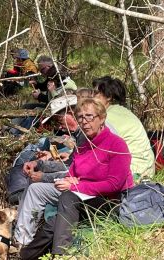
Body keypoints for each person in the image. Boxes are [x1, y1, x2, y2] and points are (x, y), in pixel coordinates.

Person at [20, 98, 134, 259]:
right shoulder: (84, 144)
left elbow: (114, 184)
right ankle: (24, 256)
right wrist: (71, 180)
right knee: (53, 223)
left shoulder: (117, 144)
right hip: (86, 198)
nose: (84, 121)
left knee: (68, 197)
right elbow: (72, 172)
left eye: (89, 116)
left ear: (101, 118)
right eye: (80, 117)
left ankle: (61, 255)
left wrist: (76, 186)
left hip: (111, 202)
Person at [14, 95, 86, 246]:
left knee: (36, 190)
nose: (59, 127)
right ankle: (20, 228)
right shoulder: (80, 136)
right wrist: (39, 164)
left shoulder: (87, 136)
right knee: (31, 180)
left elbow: (75, 173)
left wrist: (44, 177)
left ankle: (23, 241)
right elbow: (69, 165)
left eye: (59, 121)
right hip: (76, 182)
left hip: (84, 188)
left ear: (71, 114)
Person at [92, 76, 155, 180]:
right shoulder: (121, 111)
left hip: (135, 172)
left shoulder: (108, 117)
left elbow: (101, 153)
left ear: (108, 97)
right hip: (146, 168)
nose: (91, 97)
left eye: (95, 93)